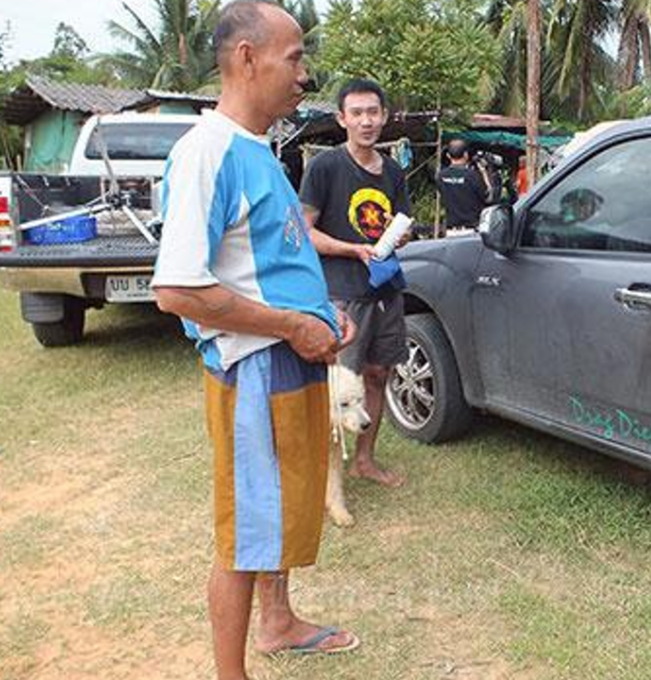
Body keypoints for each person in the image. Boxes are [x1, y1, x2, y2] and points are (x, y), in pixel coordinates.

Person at [152, 3, 360, 678]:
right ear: (247, 58)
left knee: (280, 506)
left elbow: (269, 263)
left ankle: (277, 620)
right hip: (256, 373)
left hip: (289, 363)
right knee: (244, 529)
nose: (305, 74)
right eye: (294, 58)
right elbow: (178, 289)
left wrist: (321, 311)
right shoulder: (207, 153)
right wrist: (295, 326)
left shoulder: (258, 150)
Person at [300, 78, 410, 488]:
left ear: (384, 116)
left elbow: (400, 224)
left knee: (378, 375)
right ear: (341, 118)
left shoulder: (394, 171)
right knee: (339, 384)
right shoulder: (325, 167)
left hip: (386, 288)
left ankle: (365, 460)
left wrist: (400, 237)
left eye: (373, 112)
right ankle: (326, 479)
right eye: (357, 113)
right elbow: (304, 233)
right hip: (342, 293)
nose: (366, 121)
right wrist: (352, 249)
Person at [437, 139, 493, 231]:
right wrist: (483, 173)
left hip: (450, 230)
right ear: (465, 155)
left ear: (448, 155)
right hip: (471, 229)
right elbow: (488, 197)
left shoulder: (440, 176)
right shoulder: (472, 175)